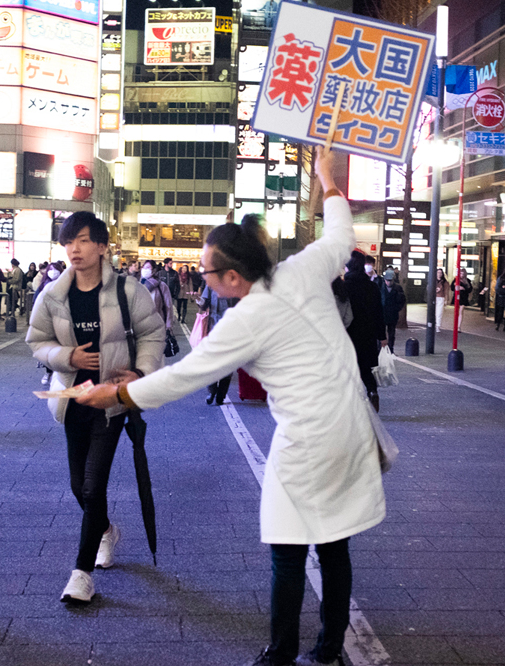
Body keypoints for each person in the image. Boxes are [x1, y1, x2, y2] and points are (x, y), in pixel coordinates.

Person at [76, 149, 385, 666]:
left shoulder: (247, 319)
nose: (203, 279)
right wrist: (328, 180)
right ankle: (329, 646)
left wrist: (118, 393)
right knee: (334, 543)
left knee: (288, 548)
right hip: (354, 426)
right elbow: (339, 237)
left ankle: (280, 654)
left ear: (233, 277)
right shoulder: (303, 269)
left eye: (206, 272)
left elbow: (187, 375)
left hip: (308, 438)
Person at [26, 212, 164, 604]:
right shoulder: (53, 294)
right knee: (78, 485)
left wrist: (139, 372)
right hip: (73, 401)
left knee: (92, 484)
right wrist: (67, 355)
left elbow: (154, 333)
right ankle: (106, 531)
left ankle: (81, 574)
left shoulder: (127, 290)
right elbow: (36, 341)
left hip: (112, 404)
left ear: (102, 246)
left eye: (84, 240)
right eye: (69, 241)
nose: (75, 249)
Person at [345, 250, 387, 411]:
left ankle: (351, 402)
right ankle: (372, 391)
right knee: (366, 368)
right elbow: (378, 312)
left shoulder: (344, 286)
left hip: (348, 334)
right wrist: (382, 336)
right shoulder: (372, 287)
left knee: (349, 368)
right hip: (368, 334)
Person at [196, 281, 238, 405]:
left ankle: (221, 395)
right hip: (213, 327)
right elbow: (204, 302)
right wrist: (201, 303)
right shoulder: (211, 284)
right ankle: (212, 390)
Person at [140, 260, 175, 334]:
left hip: (157, 325)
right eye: (144, 267)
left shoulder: (161, 286)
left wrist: (169, 325)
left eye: (148, 267)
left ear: (153, 270)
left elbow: (168, 307)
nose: (145, 269)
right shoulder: (139, 285)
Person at [379, 268, 406, 352]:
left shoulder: (398, 288)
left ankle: (391, 349)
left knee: (392, 333)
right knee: (381, 333)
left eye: (390, 280)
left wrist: (397, 308)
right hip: (382, 314)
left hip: (393, 313)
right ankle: (381, 350)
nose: (389, 282)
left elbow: (402, 300)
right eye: (387, 280)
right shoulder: (380, 287)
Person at [452, 268, 473, 332]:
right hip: (457, 297)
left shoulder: (467, 281)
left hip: (464, 297)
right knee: (456, 312)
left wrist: (463, 288)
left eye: (463, 274)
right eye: (461, 273)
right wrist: (456, 287)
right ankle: (456, 325)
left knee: (461, 312)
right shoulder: (456, 280)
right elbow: (452, 288)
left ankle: (458, 326)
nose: (462, 275)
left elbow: (470, 290)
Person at [434, 268, 448, 332]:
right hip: (434, 297)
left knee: (439, 313)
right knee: (433, 312)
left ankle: (437, 326)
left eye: (440, 273)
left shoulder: (444, 282)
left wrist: (446, 299)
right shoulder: (433, 281)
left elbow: (446, 291)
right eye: (438, 272)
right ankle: (434, 324)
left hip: (441, 297)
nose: (439, 274)